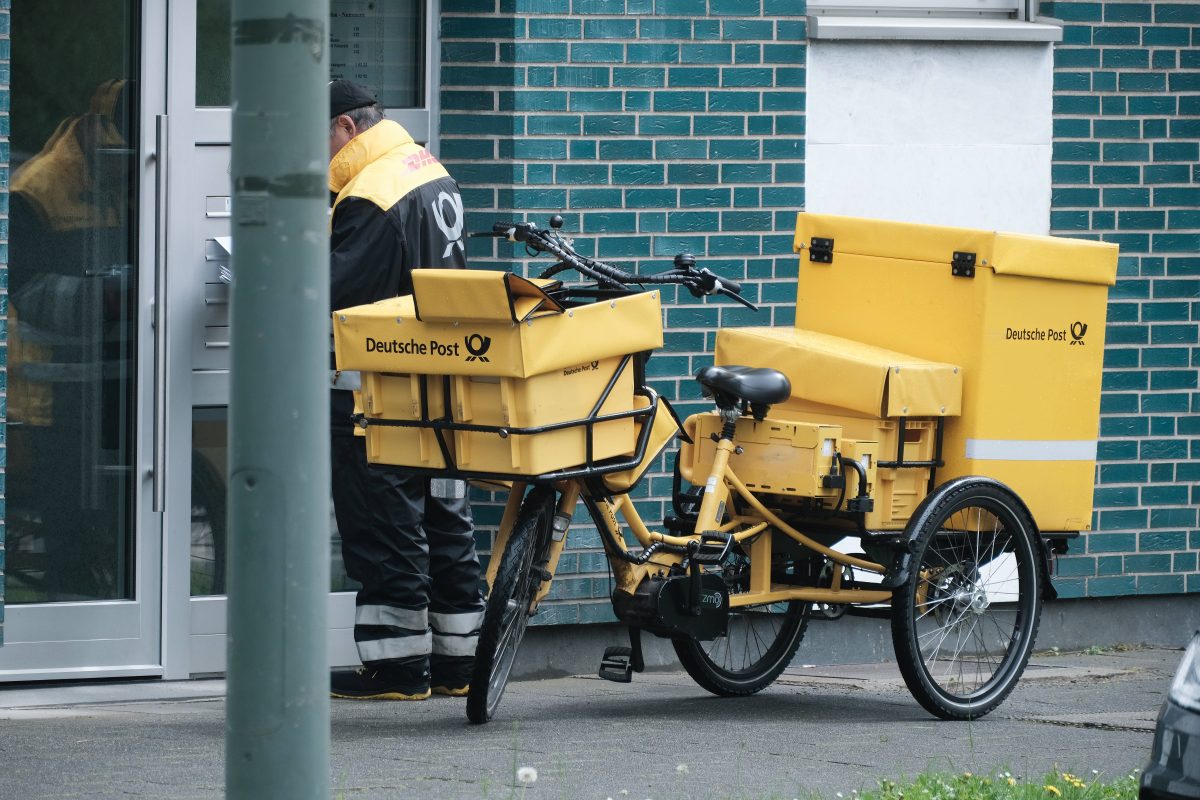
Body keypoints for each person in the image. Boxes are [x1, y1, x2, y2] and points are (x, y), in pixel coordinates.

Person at [327, 79, 483, 701]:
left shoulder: (369, 193)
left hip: (380, 388)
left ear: (344, 128)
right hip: (443, 382)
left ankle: (396, 667)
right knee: (445, 515)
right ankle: (457, 662)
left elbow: (337, 292)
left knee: (383, 518)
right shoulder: (425, 167)